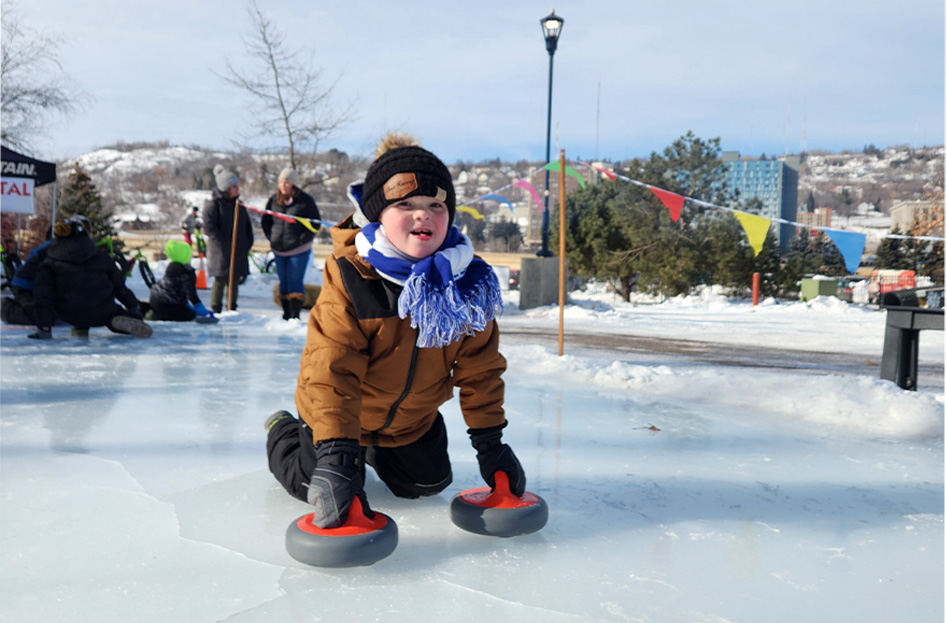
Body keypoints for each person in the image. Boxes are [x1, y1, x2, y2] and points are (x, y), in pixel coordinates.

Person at [265, 133, 522, 529]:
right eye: (405, 205)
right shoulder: (352, 275)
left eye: (436, 205)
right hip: (341, 415)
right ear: (377, 216)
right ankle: (284, 431)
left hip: (410, 421)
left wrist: (492, 446)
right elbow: (332, 369)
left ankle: (378, 453)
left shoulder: (468, 283)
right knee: (308, 485)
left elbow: (481, 370)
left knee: (426, 484)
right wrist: (336, 453)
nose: (423, 215)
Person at [30, 218, 152, 339]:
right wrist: (134, 307)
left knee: (76, 309)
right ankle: (118, 322)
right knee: (111, 314)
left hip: (68, 313)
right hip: (104, 311)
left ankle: (80, 328)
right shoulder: (100, 256)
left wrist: (44, 327)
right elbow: (119, 286)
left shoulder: (49, 262)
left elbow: (43, 296)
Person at [261, 167, 321, 320]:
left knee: (295, 281)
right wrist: (271, 237)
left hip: (298, 249)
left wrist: (301, 240)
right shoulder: (273, 200)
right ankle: (286, 313)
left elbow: (315, 224)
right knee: (283, 281)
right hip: (278, 249)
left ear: (294, 184)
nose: (283, 185)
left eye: (286, 182)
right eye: (281, 182)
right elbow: (266, 220)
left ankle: (295, 315)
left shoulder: (306, 201)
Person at [202, 164, 253, 313]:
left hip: (238, 250)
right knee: (220, 280)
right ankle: (216, 308)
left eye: (238, 186)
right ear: (226, 188)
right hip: (221, 252)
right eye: (234, 187)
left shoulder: (239, 205)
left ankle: (232, 308)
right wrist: (223, 244)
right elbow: (209, 227)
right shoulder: (213, 206)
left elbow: (247, 227)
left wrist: (247, 243)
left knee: (234, 281)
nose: (238, 189)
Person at [145, 239, 217, 323]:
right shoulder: (187, 272)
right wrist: (201, 310)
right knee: (189, 315)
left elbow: (177, 292)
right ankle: (159, 315)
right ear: (185, 256)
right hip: (168, 304)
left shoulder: (172, 267)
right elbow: (191, 295)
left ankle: (155, 312)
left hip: (155, 299)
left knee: (184, 309)